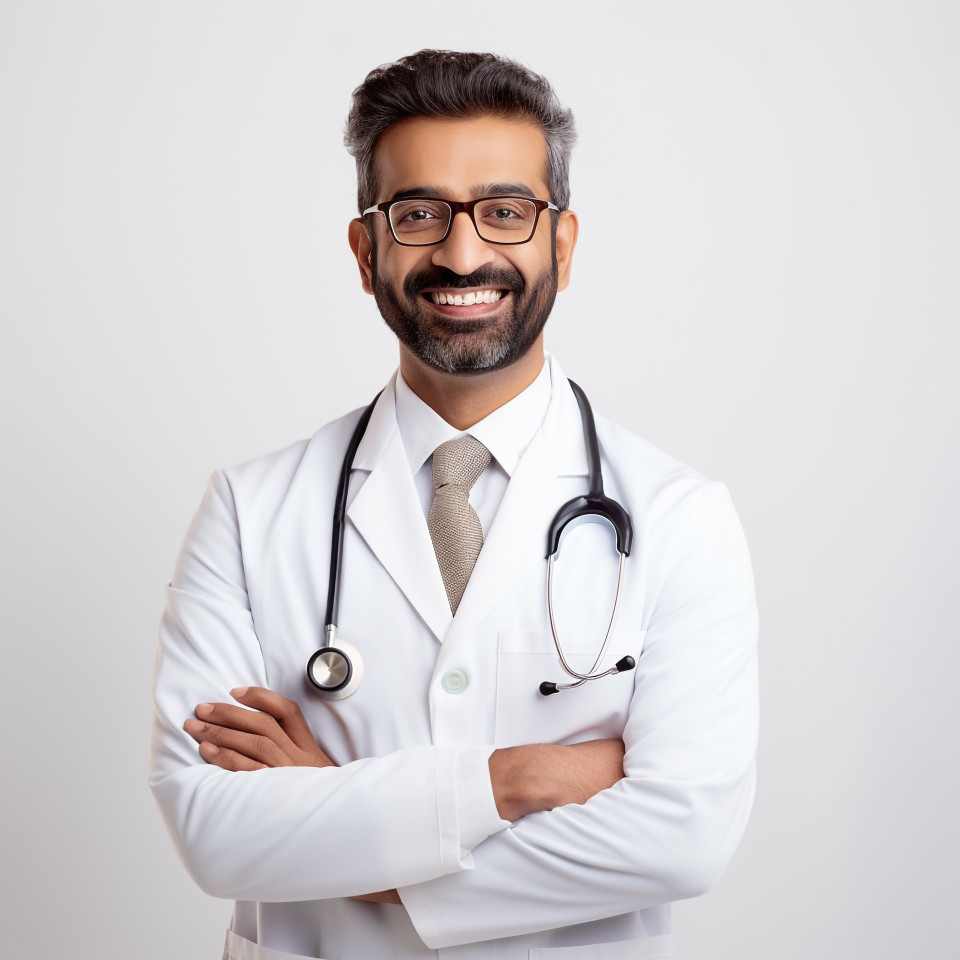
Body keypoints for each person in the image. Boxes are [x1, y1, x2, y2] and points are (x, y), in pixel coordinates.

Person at [150, 49, 758, 960]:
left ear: (562, 241)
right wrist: (512, 782)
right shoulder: (250, 509)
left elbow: (682, 840)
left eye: (506, 212)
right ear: (367, 252)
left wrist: (340, 816)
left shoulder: (679, 517)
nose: (463, 252)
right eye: (420, 214)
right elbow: (216, 832)